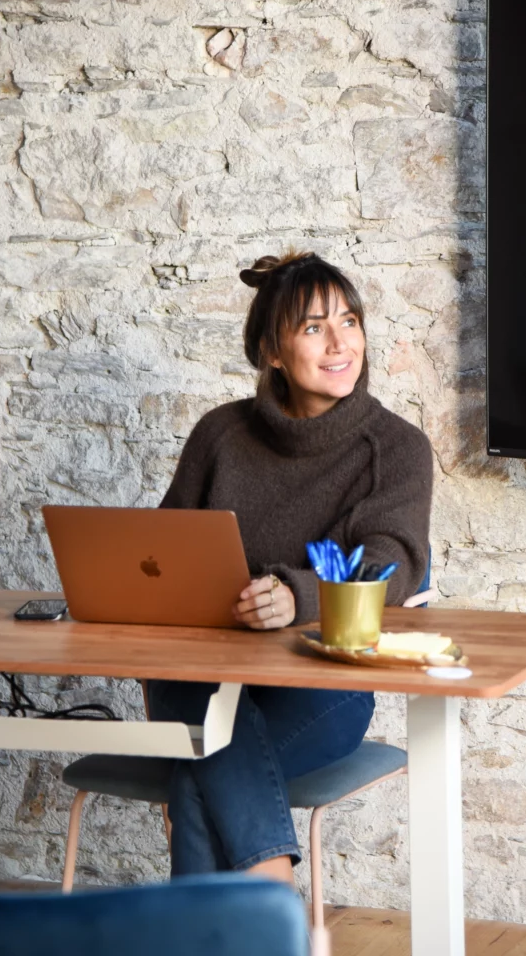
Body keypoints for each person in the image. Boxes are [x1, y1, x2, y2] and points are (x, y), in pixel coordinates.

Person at [148, 250, 433, 885]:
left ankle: (264, 909)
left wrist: (297, 594)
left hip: (321, 688)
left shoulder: (395, 449)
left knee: (199, 774)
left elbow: (391, 566)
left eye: (350, 321)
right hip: (201, 678)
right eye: (313, 327)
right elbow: (163, 557)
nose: (340, 343)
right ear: (271, 351)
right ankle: (273, 914)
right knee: (208, 751)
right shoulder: (219, 435)